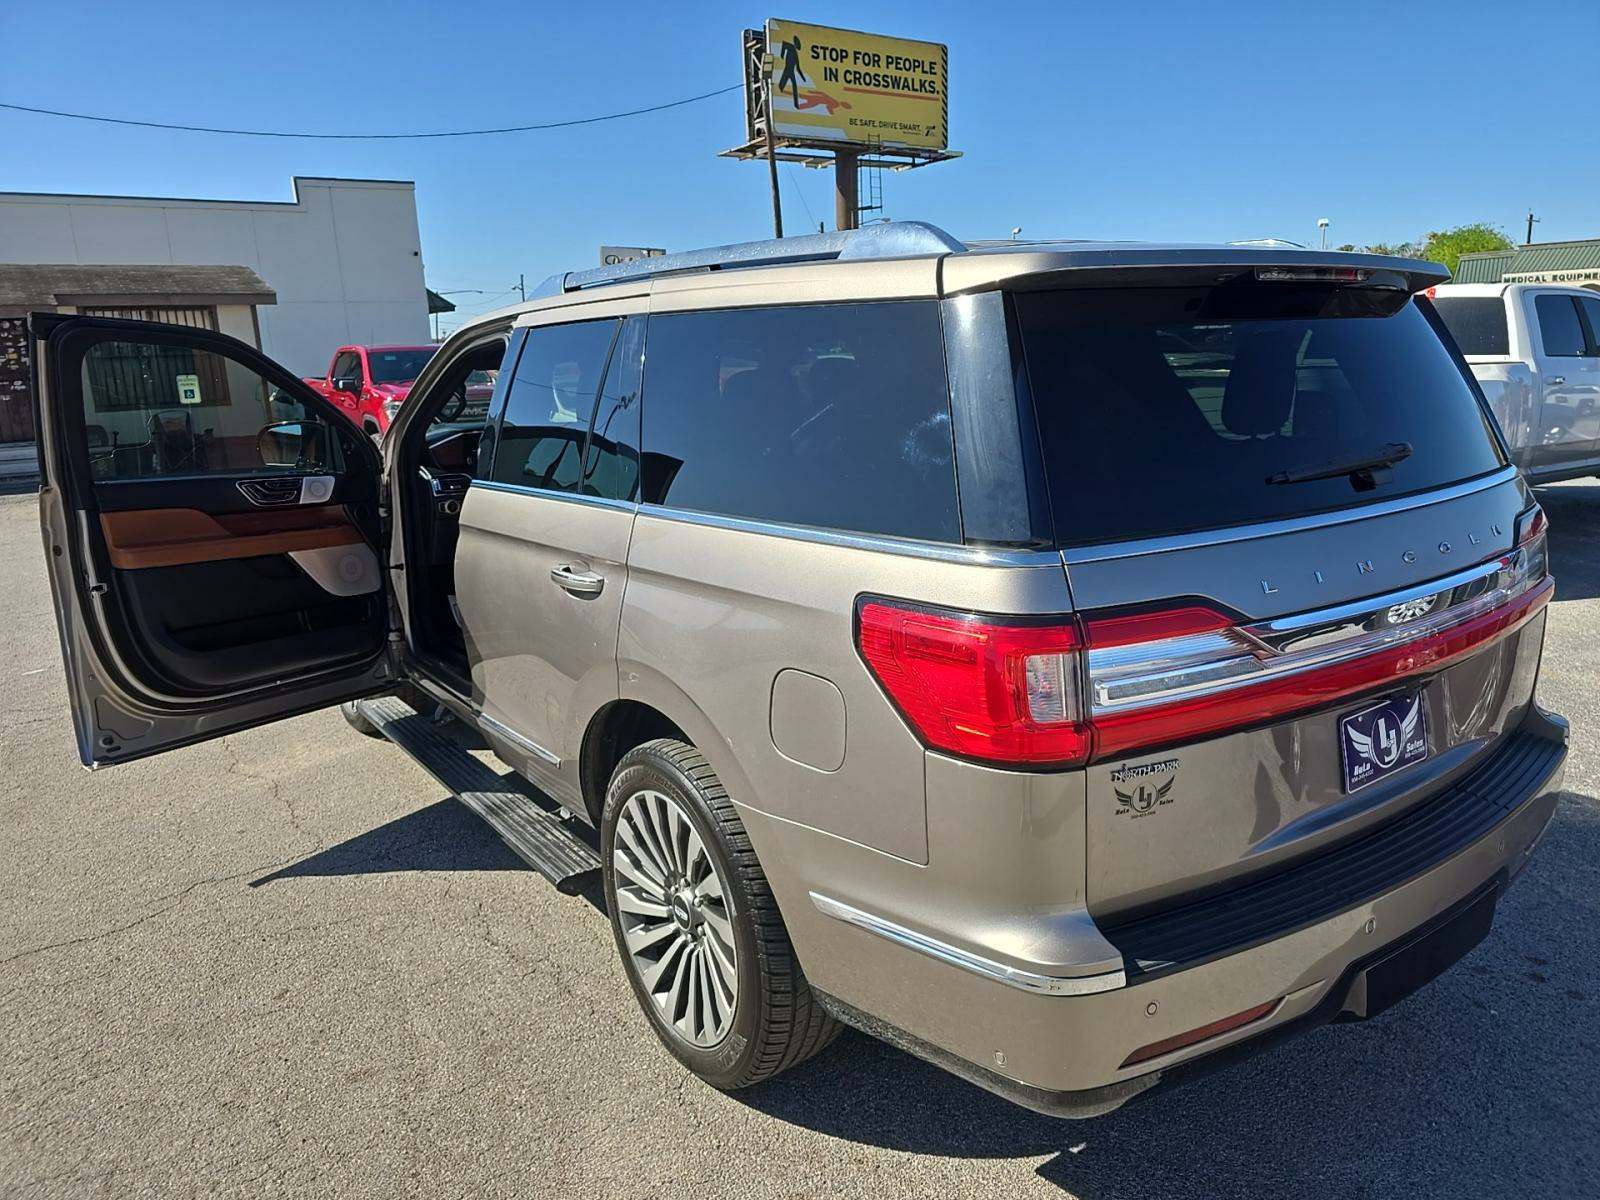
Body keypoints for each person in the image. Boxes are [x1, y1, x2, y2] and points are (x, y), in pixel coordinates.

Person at [776, 35, 806, 106]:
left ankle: (796, 104)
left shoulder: (796, 55)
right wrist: (782, 54)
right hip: (787, 70)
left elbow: (798, 68)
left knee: (794, 87)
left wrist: (803, 78)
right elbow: (784, 44)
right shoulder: (791, 46)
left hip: (791, 72)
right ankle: (778, 101)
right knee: (781, 86)